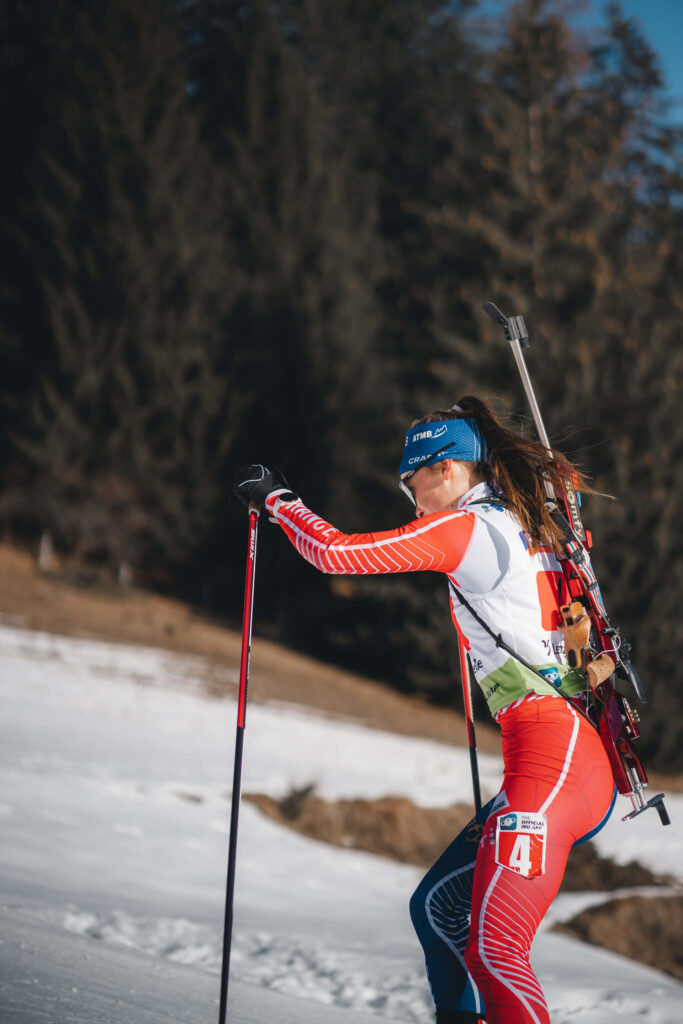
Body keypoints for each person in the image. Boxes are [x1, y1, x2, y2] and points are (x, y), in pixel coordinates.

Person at [233, 396, 616, 1024]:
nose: (414, 503)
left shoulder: (470, 526)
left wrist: (278, 502)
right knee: (437, 910)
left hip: (557, 760)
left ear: (446, 470)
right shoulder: (527, 521)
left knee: (496, 949)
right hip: (553, 754)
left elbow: (340, 554)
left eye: (414, 485)